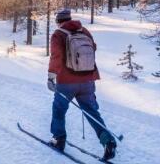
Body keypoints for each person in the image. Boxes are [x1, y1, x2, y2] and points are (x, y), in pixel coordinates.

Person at [47, 9, 117, 161]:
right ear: (70, 18)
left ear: (58, 21)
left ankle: (59, 140)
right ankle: (108, 141)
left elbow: (56, 56)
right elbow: (93, 48)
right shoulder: (84, 31)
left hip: (66, 82)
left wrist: (51, 76)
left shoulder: (58, 34)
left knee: (59, 110)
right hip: (87, 80)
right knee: (92, 112)